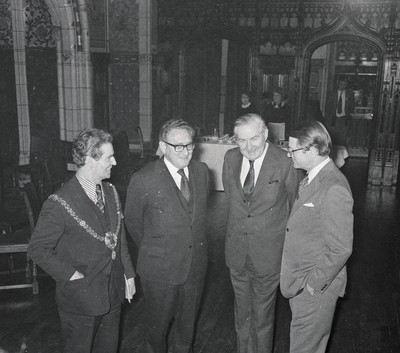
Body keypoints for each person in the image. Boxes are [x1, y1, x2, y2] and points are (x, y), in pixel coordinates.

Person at [28, 128, 136, 353]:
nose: (114, 162)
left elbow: (119, 236)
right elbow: (38, 249)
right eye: (109, 157)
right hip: (81, 299)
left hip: (113, 293)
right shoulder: (59, 203)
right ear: (90, 160)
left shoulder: (111, 192)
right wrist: (72, 275)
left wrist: (129, 275)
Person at [124, 119, 209, 353]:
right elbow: (133, 223)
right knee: (157, 331)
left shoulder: (202, 172)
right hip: (159, 269)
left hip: (195, 267)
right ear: (163, 146)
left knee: (186, 330)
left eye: (190, 145)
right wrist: (158, 248)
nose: (185, 152)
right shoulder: (143, 178)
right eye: (178, 146)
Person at [222, 113, 299, 353]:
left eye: (254, 138)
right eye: (241, 140)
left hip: (268, 254)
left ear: (265, 134)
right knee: (241, 315)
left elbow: (293, 204)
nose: (248, 147)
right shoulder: (230, 158)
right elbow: (234, 203)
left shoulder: (284, 161)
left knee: (263, 318)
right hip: (237, 253)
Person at [280, 120, 354, 353]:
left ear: (311, 150)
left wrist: (311, 286)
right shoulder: (314, 177)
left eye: (292, 150)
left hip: (315, 289)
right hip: (302, 284)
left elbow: (341, 248)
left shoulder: (333, 187)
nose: (289, 155)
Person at [327, 77, 355, 146]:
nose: (342, 86)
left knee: (342, 142)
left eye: (344, 84)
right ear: (338, 84)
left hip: (344, 120)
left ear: (347, 85)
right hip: (334, 120)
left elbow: (352, 107)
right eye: (341, 84)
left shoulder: (350, 94)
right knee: (332, 141)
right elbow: (327, 107)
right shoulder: (332, 93)